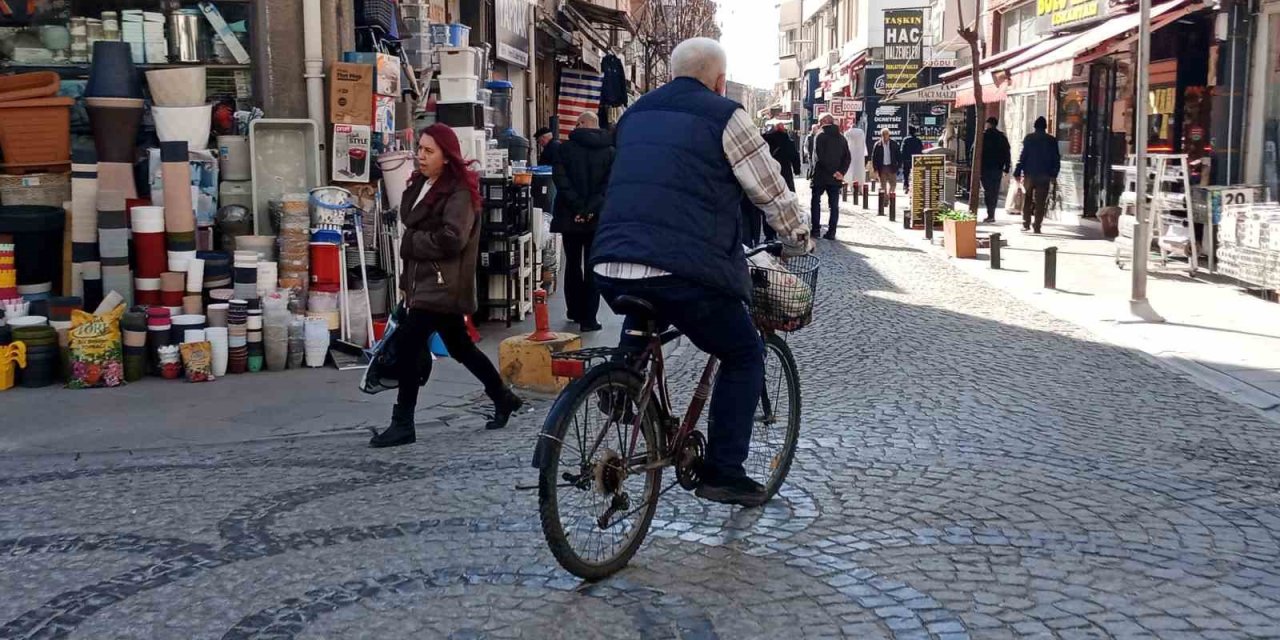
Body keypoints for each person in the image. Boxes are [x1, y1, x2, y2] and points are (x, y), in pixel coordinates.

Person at [591, 37, 811, 507]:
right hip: (683, 268)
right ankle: (724, 472)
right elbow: (770, 190)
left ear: (672, 74)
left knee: (647, 300)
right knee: (744, 352)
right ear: (719, 80)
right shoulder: (726, 116)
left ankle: (621, 381)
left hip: (609, 260)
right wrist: (797, 239)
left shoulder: (635, 113)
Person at [369, 124, 523, 448]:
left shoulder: (460, 192)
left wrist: (412, 242)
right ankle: (502, 397)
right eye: (419, 149)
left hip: (442, 284)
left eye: (429, 151)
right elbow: (413, 219)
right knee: (460, 346)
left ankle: (403, 423)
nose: (420, 156)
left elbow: (453, 239)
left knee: (410, 344)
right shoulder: (424, 184)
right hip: (424, 283)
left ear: (446, 155)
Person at [552, 111, 614, 332]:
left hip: (570, 216)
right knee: (592, 266)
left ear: (580, 124)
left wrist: (578, 207)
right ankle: (589, 319)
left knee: (572, 264)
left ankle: (574, 310)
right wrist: (590, 209)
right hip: (596, 218)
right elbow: (608, 186)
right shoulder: (610, 151)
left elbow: (560, 179)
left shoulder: (564, 149)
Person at [1013, 116, 1060, 233]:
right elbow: (1056, 158)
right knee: (1041, 201)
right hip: (1045, 174)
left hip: (1029, 173)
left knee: (1027, 199)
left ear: (1034, 126)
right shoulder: (1051, 140)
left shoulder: (1029, 138)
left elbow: (1023, 156)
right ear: (1045, 127)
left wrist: (1018, 171)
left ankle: (1026, 223)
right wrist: (1054, 174)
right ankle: (1037, 225)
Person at [810, 113, 851, 240]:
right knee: (834, 206)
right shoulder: (842, 138)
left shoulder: (820, 136)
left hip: (821, 176)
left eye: (819, 121)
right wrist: (840, 172)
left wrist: (833, 171)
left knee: (816, 202)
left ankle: (816, 230)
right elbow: (847, 158)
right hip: (835, 178)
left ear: (823, 121)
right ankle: (832, 232)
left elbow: (819, 156)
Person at [978, 117, 1012, 223]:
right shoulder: (1002, 137)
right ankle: (991, 213)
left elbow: (974, 151)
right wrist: (1006, 167)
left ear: (988, 124)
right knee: (994, 191)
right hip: (997, 168)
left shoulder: (983, 136)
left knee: (988, 191)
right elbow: (1007, 152)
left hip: (985, 168)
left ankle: (990, 214)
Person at [763, 123, 801, 192]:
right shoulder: (788, 142)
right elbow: (795, 157)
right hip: (785, 170)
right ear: (784, 130)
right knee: (788, 190)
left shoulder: (766, 140)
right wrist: (797, 170)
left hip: (770, 169)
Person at [870, 128, 902, 195]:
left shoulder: (894, 144)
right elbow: (874, 157)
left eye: (886, 134)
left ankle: (890, 197)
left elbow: (899, 155)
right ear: (881, 135)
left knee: (893, 184)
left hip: (892, 167)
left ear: (889, 135)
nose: (885, 136)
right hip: (882, 168)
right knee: (883, 186)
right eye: (883, 134)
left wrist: (899, 165)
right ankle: (885, 201)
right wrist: (875, 168)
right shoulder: (878, 145)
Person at [843, 119, 867, 189]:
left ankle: (850, 185)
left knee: (850, 170)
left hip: (850, 154)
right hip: (859, 154)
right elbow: (863, 143)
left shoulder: (847, 133)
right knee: (859, 170)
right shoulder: (861, 132)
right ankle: (859, 187)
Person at [901, 126, 924, 192]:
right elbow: (921, 150)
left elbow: (902, 150)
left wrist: (902, 160)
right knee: (915, 174)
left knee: (906, 174)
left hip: (907, 160)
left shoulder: (906, 140)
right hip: (916, 160)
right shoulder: (918, 140)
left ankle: (906, 186)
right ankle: (915, 187)